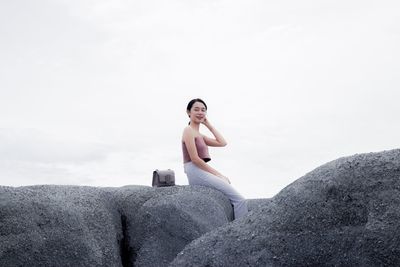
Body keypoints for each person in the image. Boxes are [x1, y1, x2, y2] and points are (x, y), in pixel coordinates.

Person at [181, 98, 249, 220]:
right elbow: (195, 159)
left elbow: (222, 143)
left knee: (236, 199)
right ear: (188, 112)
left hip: (199, 170)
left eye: (203, 110)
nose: (200, 112)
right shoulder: (188, 130)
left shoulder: (200, 135)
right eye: (196, 109)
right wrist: (219, 175)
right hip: (194, 169)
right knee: (240, 200)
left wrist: (209, 125)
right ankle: (240, 232)